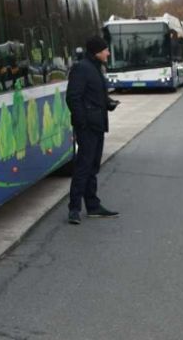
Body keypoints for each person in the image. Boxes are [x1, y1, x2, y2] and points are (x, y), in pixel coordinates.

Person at [65, 35, 120, 225]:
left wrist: (108, 103)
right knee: (83, 167)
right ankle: (74, 209)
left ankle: (93, 206)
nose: (108, 53)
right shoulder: (82, 68)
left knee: (93, 167)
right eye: (106, 49)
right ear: (97, 51)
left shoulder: (96, 68)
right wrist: (82, 122)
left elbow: (95, 95)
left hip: (97, 125)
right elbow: (73, 97)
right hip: (87, 127)